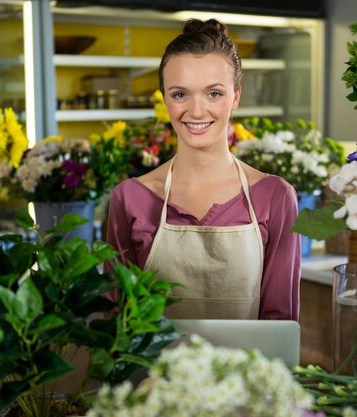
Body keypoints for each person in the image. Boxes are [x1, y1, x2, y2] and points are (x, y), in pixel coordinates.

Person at [105, 18, 301, 320]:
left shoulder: (275, 197)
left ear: (235, 97)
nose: (196, 111)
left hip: (248, 368)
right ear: (165, 99)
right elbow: (116, 323)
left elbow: (280, 324)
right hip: (154, 370)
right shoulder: (130, 198)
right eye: (180, 94)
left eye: (214, 93)